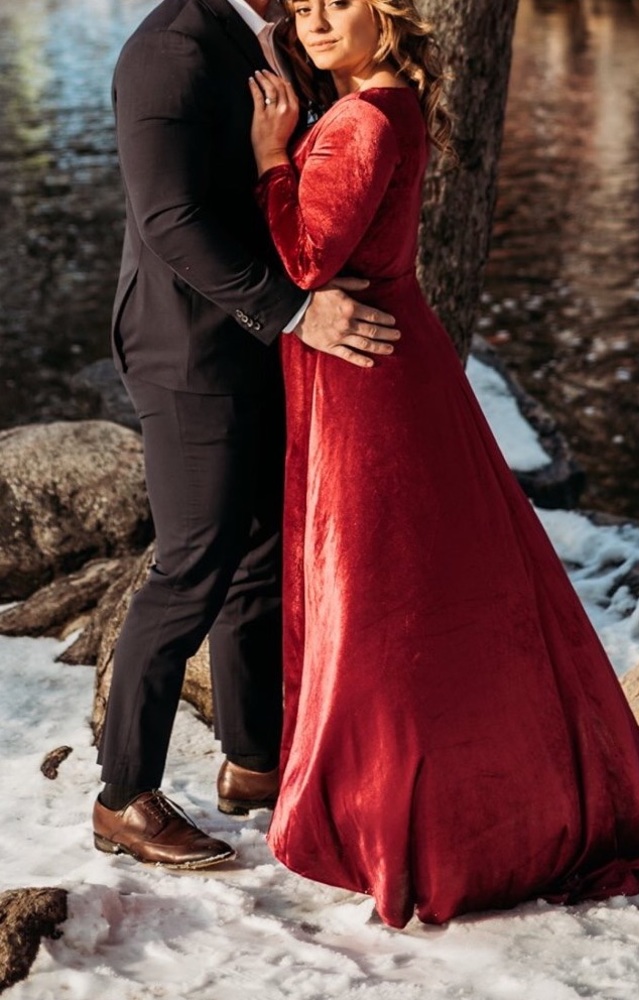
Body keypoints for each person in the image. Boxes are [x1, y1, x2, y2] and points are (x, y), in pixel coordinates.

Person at [247, 0, 639, 926]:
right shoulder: (381, 103)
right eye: (305, 0)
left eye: (340, 0)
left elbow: (307, 255)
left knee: (381, 594)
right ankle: (479, 791)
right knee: (429, 582)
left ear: (388, 11)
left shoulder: (365, 114)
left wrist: (271, 158)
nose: (313, 15)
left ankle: (423, 818)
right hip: (383, 362)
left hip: (369, 381)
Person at [92, 0, 402, 870]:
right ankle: (124, 796)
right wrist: (296, 310)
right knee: (192, 566)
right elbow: (169, 218)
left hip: (256, 345)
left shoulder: (266, 39)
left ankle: (255, 761)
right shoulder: (170, 49)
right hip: (188, 351)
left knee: (258, 559)